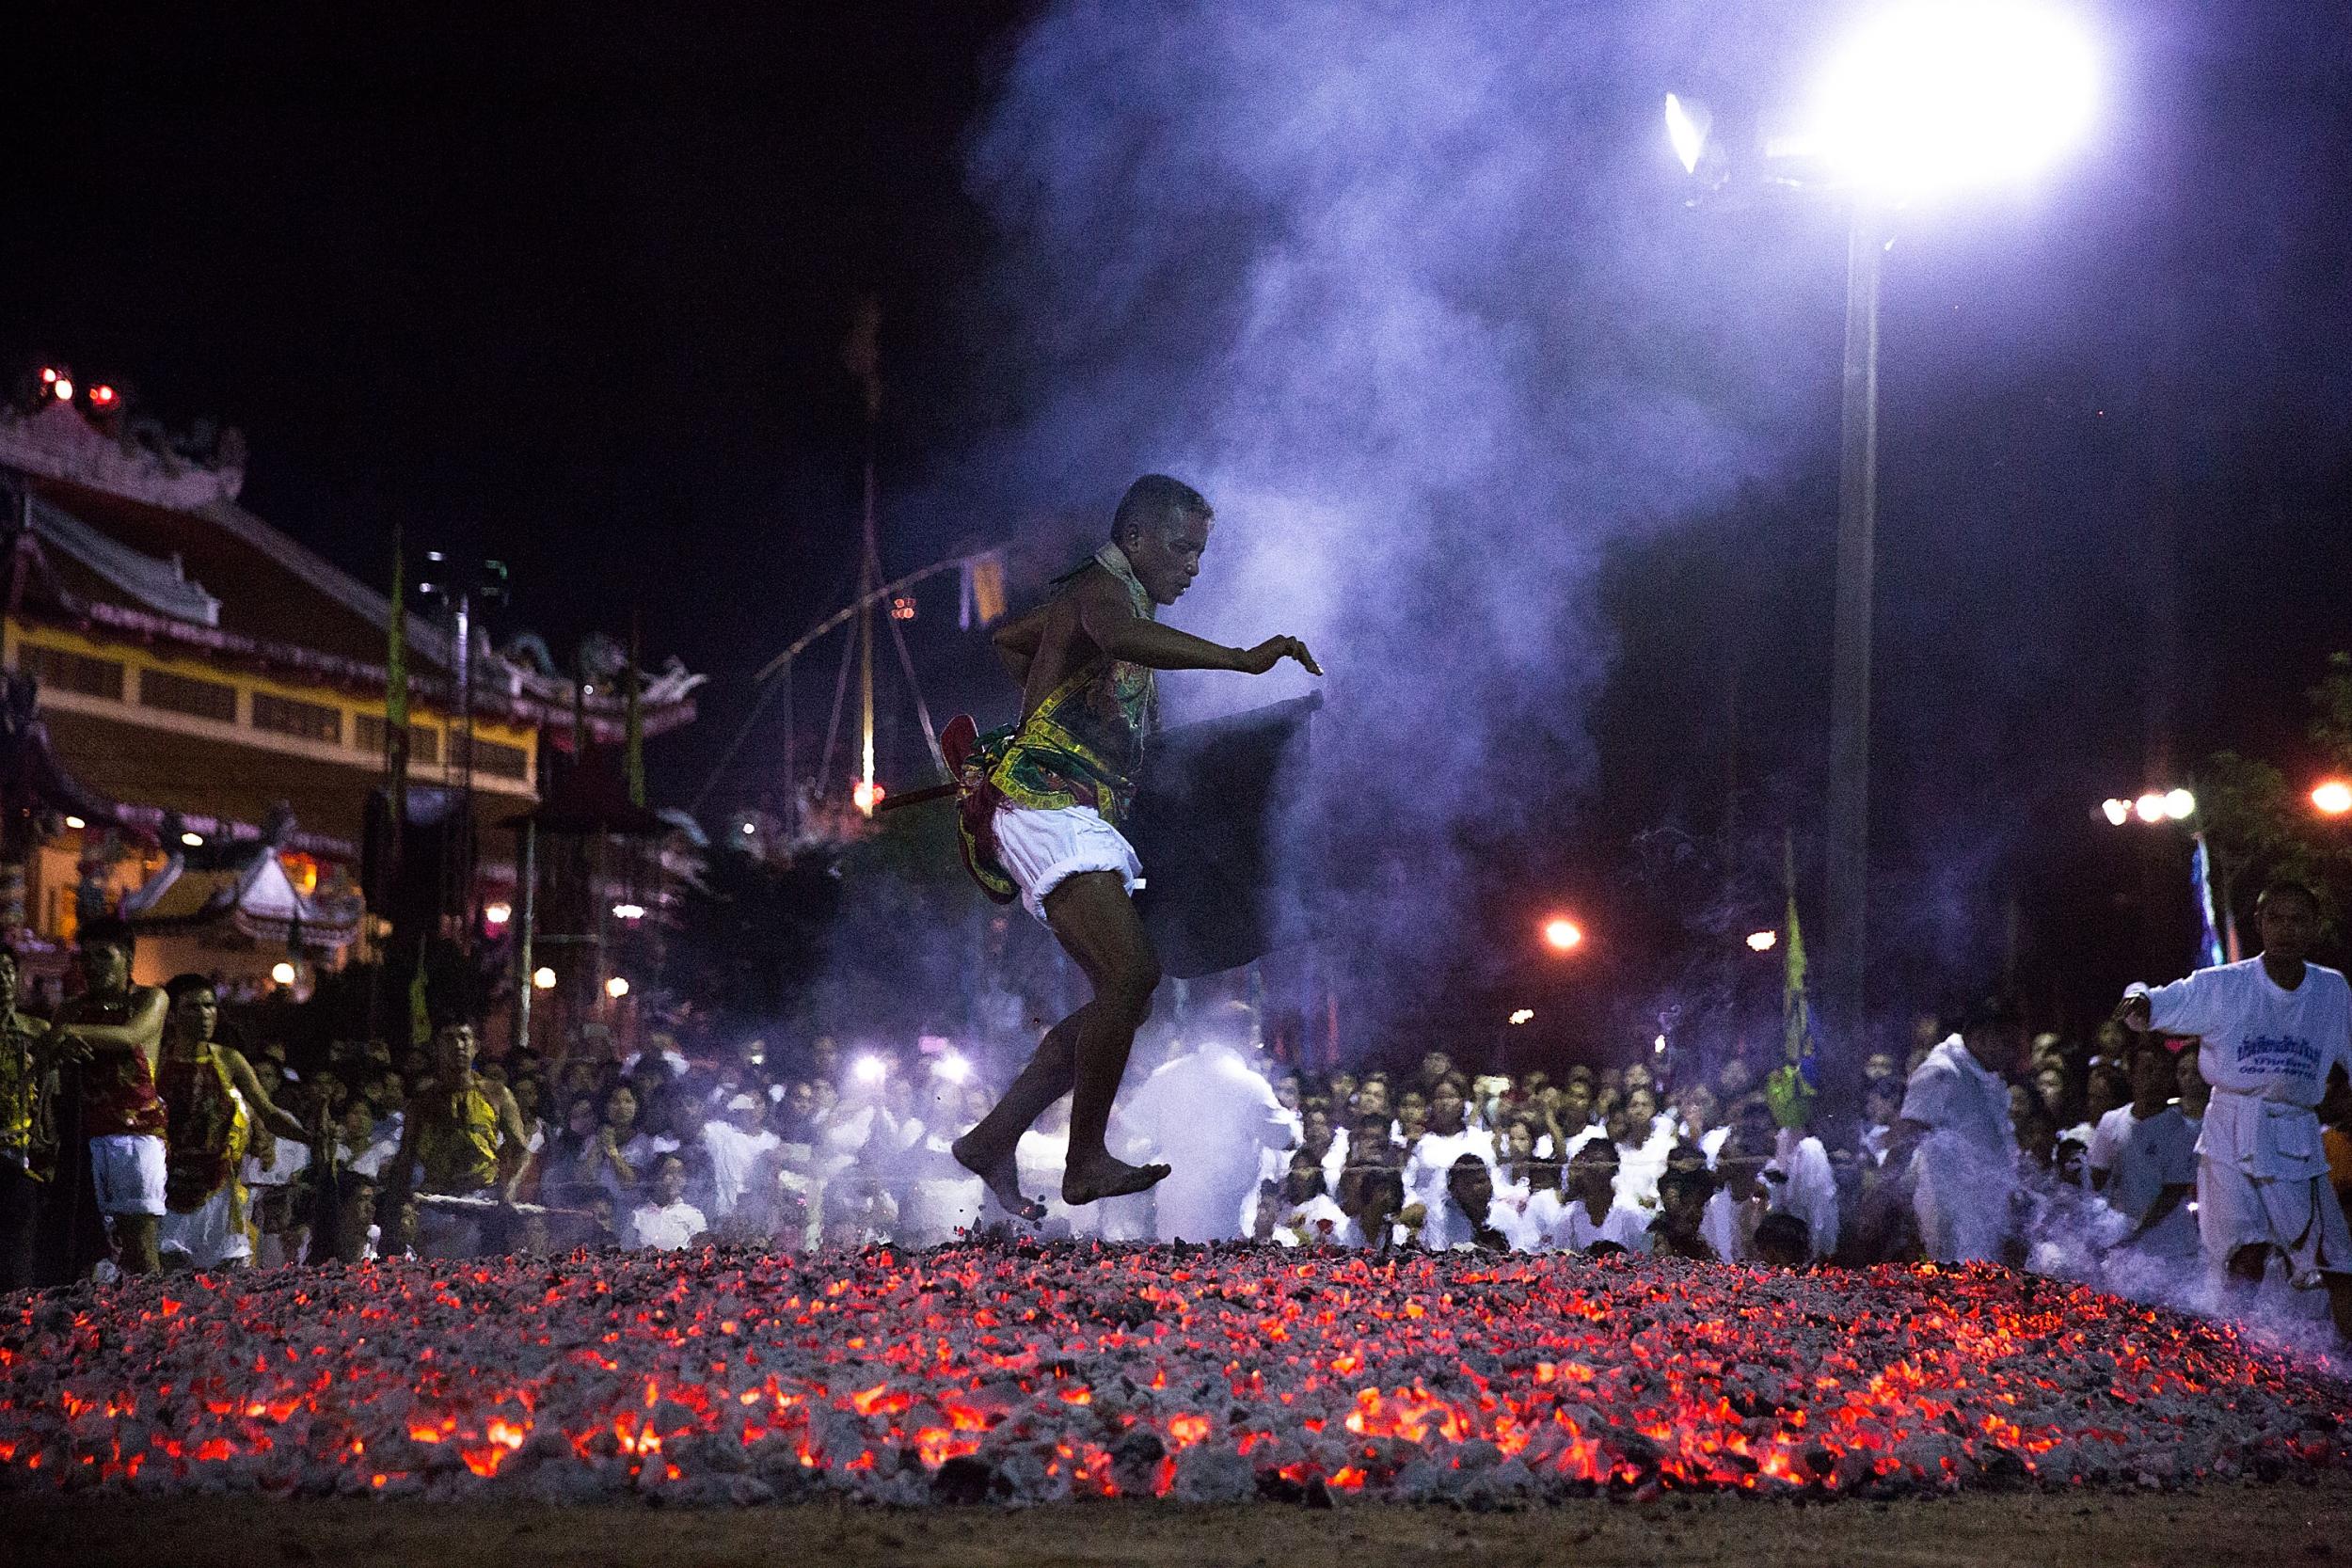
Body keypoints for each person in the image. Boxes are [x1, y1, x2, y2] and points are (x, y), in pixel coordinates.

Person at [947, 475, 1321, 1215]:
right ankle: (1082, 1160)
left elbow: (1008, 639)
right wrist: (1242, 658)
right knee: (1132, 977)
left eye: (1201, 553)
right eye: (1182, 548)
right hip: (1045, 803)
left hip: (1068, 808)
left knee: (1128, 992)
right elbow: (1116, 634)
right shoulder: (1102, 588)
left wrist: (1057, 696)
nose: (1193, 565)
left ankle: (995, 1136)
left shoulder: (1095, 603)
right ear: (1138, 540)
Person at [2116, 879, 2352, 1341]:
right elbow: (2156, 1001)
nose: (2285, 929)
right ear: (2260, 923)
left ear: (2314, 927)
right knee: (2245, 1252)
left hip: (2299, 1136)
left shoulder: (2331, 990)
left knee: (2338, 1262)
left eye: (2297, 919)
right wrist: (2138, 996)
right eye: (2276, 918)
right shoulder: (2226, 985)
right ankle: (2233, 1354)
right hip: (2232, 1129)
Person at [155, 975, 310, 1270]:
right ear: (172, 1015)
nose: (203, 1014)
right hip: (166, 1190)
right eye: (192, 1007)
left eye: (209, 1005)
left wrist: (311, 1138)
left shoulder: (229, 1059)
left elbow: (269, 1113)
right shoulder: (157, 1058)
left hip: (218, 1191)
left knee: (226, 1288)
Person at [53, 919, 170, 1275]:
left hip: (134, 1137)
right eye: (85, 958)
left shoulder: (150, 999)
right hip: (80, 1140)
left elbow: (128, 1036)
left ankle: (154, 1324)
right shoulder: (70, 1009)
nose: (92, 966)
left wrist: (64, 1033)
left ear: (129, 957)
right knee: (86, 1251)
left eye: (104, 956)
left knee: (140, 1248)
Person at [1116, 1031, 1294, 1242]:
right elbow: (1285, 1138)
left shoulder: (1166, 1075)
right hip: (1227, 1216)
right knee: (1223, 1268)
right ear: (1246, 1038)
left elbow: (1127, 1128)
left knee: (1173, 1267)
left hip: (1173, 1208)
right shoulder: (1249, 1083)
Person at [390, 1022, 534, 1259]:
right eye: (449, 1039)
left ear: (475, 1046)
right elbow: (406, 1156)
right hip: (436, 1202)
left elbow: (522, 1151)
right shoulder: (423, 1101)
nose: (458, 1045)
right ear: (437, 1048)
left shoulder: (497, 1094)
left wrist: (510, 1189)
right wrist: (399, 1202)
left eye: (464, 1038)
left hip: (482, 1200)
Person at [1898, 1012, 2018, 1263]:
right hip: (1950, 1210)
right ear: (1980, 1037)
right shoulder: (1941, 1071)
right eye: (2007, 1041)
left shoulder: (1985, 1075)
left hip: (1984, 1209)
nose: (2013, 1051)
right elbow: (1906, 1138)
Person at [2086, 1040, 2200, 1273]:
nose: (2155, 1080)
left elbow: (2172, 1192)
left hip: (2172, 1251)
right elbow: (2095, 1181)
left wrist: (2134, 1231)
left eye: (2163, 1073)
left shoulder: (2185, 1130)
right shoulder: (2111, 1122)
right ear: (2132, 1075)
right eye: (2147, 1071)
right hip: (2125, 1252)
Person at [0, 942, 66, 1290]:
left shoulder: (39, 1032)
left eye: (8, 970)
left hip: (25, 1158)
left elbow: (53, 1099)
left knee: (19, 1261)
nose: (2, 979)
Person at [1549, 1140, 1653, 1254]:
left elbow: (1643, 1257)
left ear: (1613, 1171)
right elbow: (1559, 1257)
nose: (1594, 1172)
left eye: (1600, 1167)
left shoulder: (1629, 1212)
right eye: (1589, 1166)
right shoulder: (1569, 1215)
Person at [628, 1153, 708, 1250]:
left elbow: (701, 1250)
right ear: (656, 1178)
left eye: (680, 1173)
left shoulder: (693, 1215)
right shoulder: (638, 1216)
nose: (676, 1178)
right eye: (670, 1172)